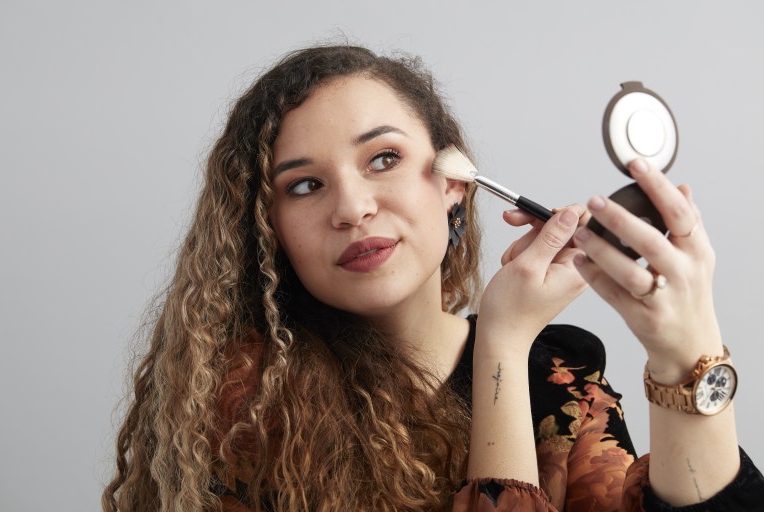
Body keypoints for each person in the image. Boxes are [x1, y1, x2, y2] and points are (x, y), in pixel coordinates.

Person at [102, 45, 764, 511]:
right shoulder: (243, 402)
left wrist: (685, 353)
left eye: (383, 158)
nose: (352, 208)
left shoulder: (560, 373)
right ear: (268, 227)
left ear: (453, 181)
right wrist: (502, 342)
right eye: (304, 185)